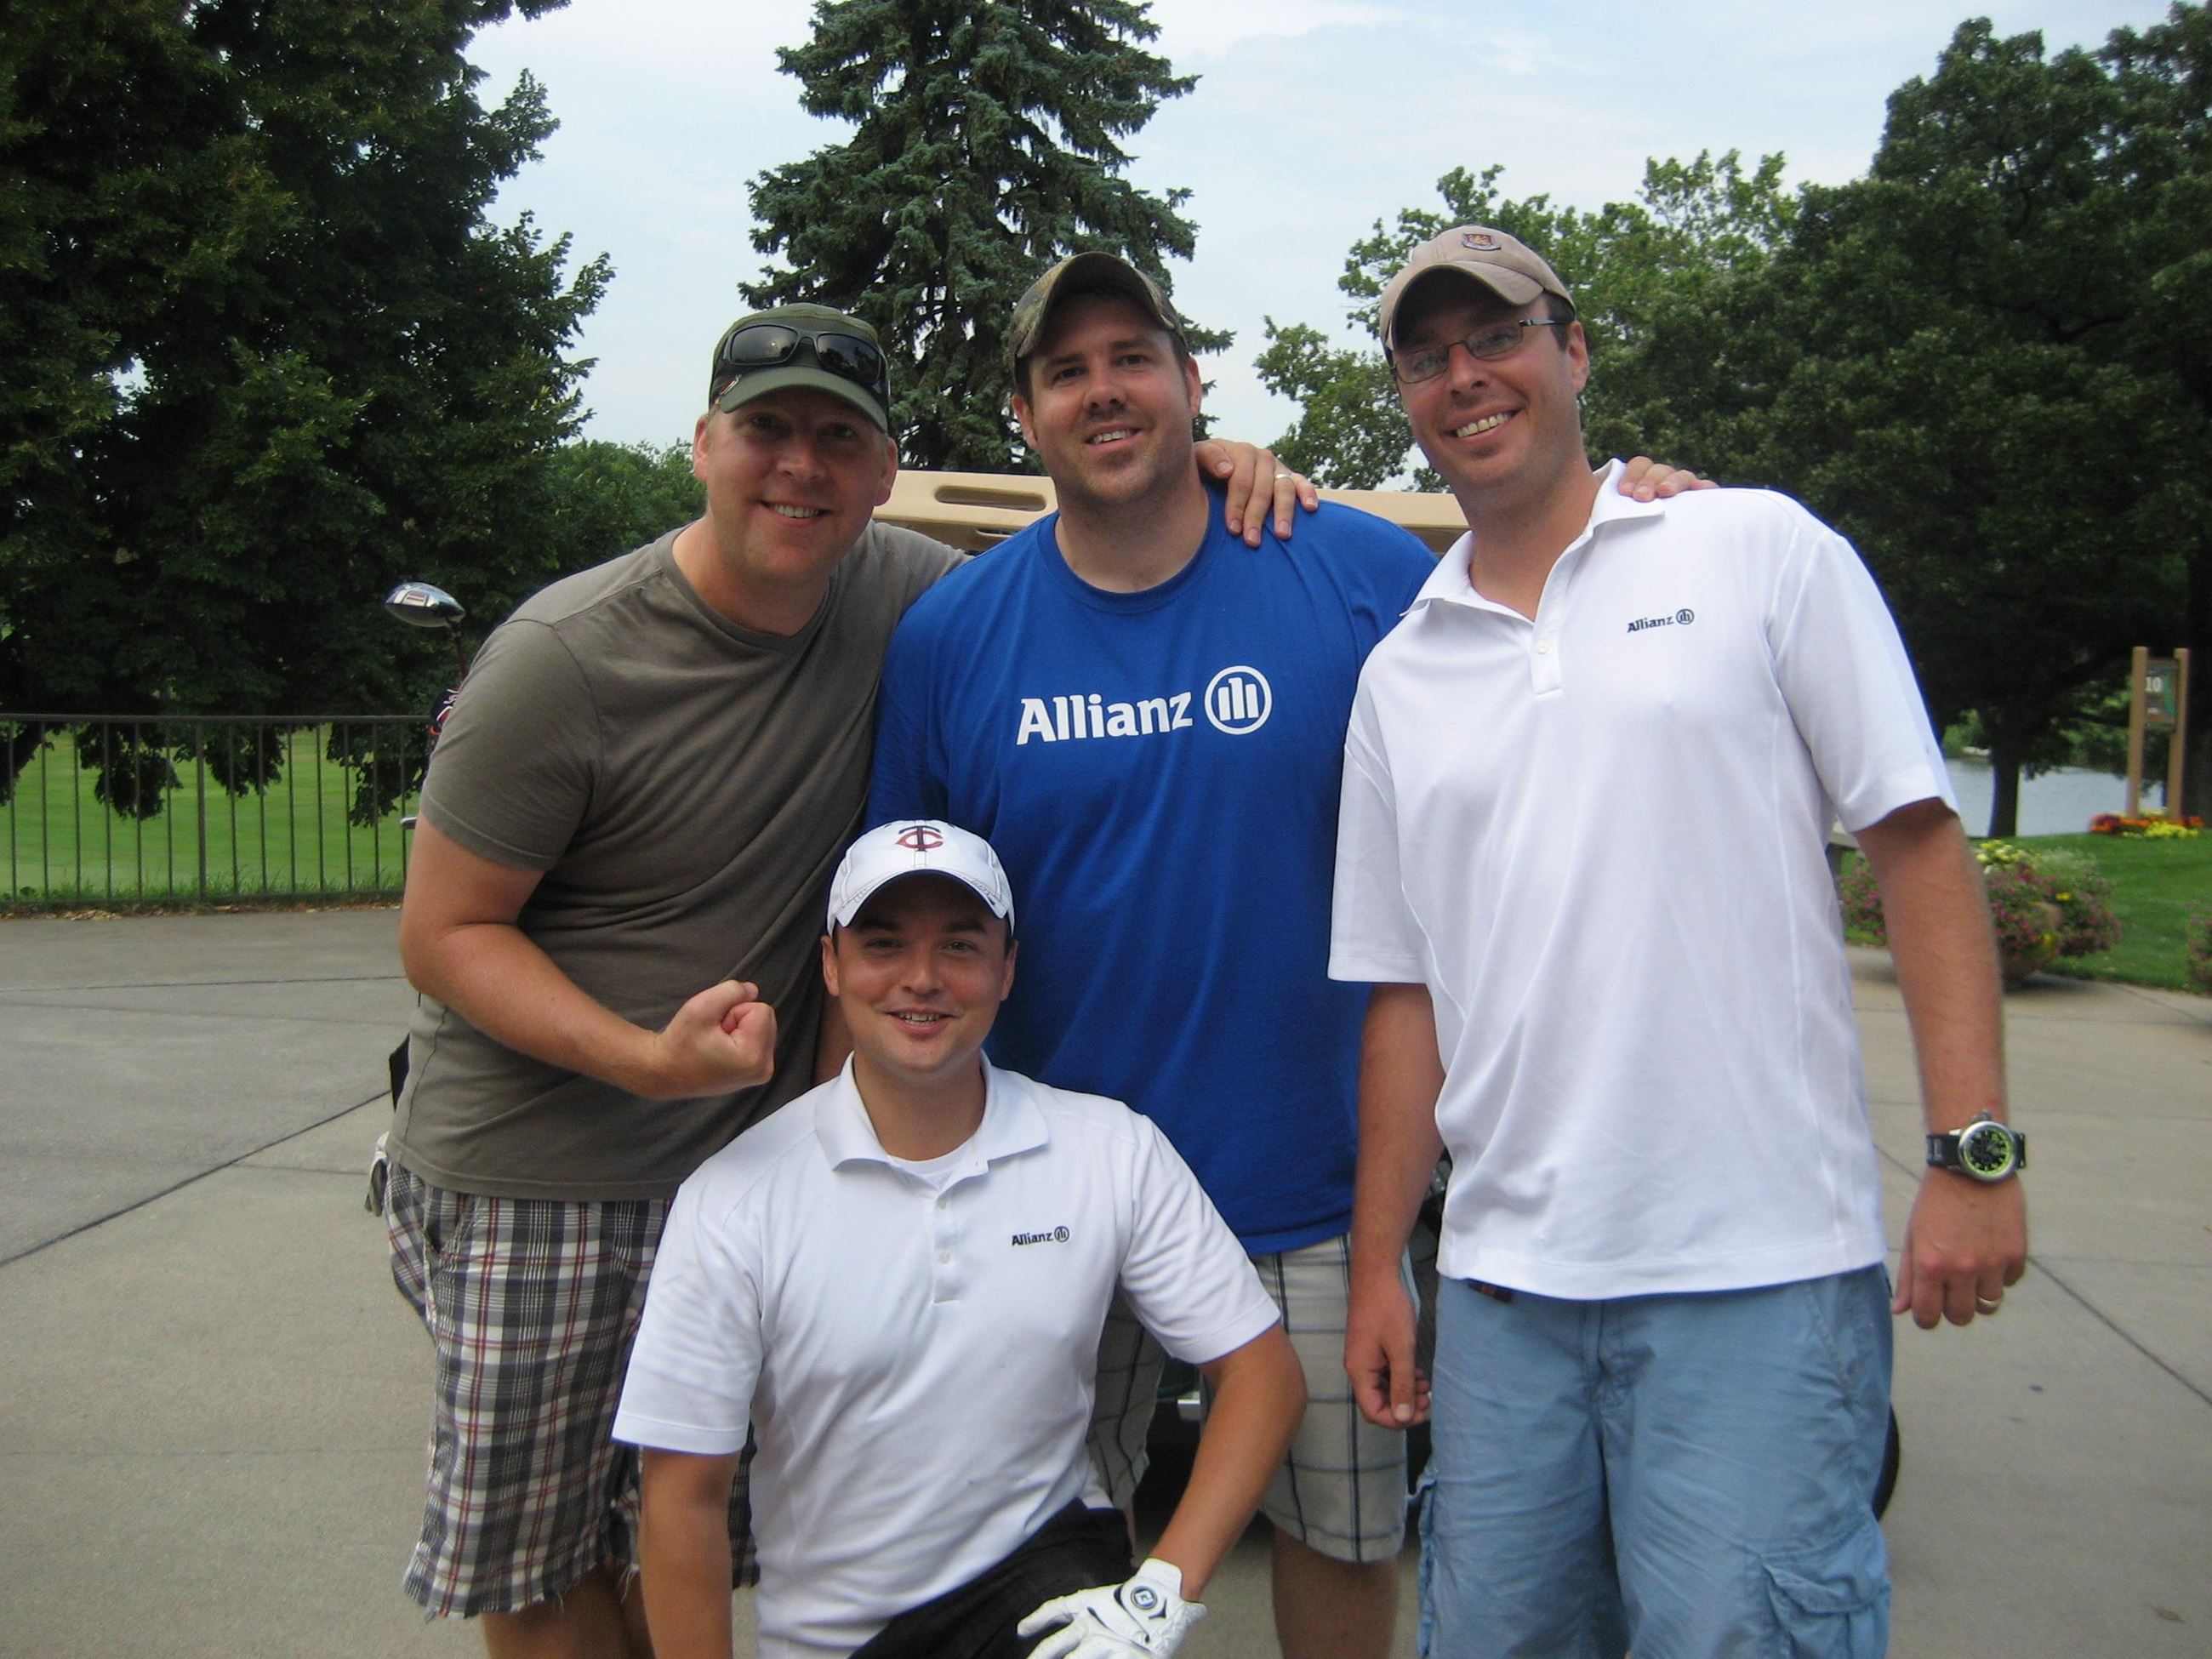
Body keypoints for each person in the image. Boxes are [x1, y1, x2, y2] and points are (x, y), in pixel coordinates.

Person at [382, 301, 1310, 1657]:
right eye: (765, 431)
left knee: (695, 1522)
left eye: (838, 438)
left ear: (886, 474)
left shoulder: (908, 594)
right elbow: (444, 933)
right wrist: (644, 1059)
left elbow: (1082, 553)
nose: (798, 468)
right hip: (546, 1158)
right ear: (702, 443)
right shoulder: (562, 655)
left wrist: (1203, 456)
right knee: (548, 1561)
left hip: (744, 1147)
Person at [867, 252, 1707, 1659]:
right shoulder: (956, 634)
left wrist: (1656, 516)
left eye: (1134, 356)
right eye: (1067, 370)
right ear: (1025, 416)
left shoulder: (1351, 571)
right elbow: (899, 938)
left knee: (1341, 1537)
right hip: (1055, 1190)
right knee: (1032, 1540)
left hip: (1319, 1192)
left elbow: (1544, 592)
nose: (1105, 391)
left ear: (1194, 385)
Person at [1331, 225, 2030, 1658]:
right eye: (1427, 356)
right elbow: (1406, 995)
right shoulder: (1401, 670)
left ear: (1574, 351)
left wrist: (1974, 1152)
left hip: (1760, 1277)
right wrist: (1378, 1265)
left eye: (1499, 337)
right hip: (1508, 1293)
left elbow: (1916, 847)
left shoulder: (1753, 547)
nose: (1466, 377)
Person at [615, 818, 1306, 1659]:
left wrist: (1161, 1588)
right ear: (831, 965)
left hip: (1043, 1606)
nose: (921, 979)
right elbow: (681, 1494)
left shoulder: (1108, 1148)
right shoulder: (735, 1197)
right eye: (883, 944)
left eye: (960, 946)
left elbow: (1260, 1372)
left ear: (1005, 967)